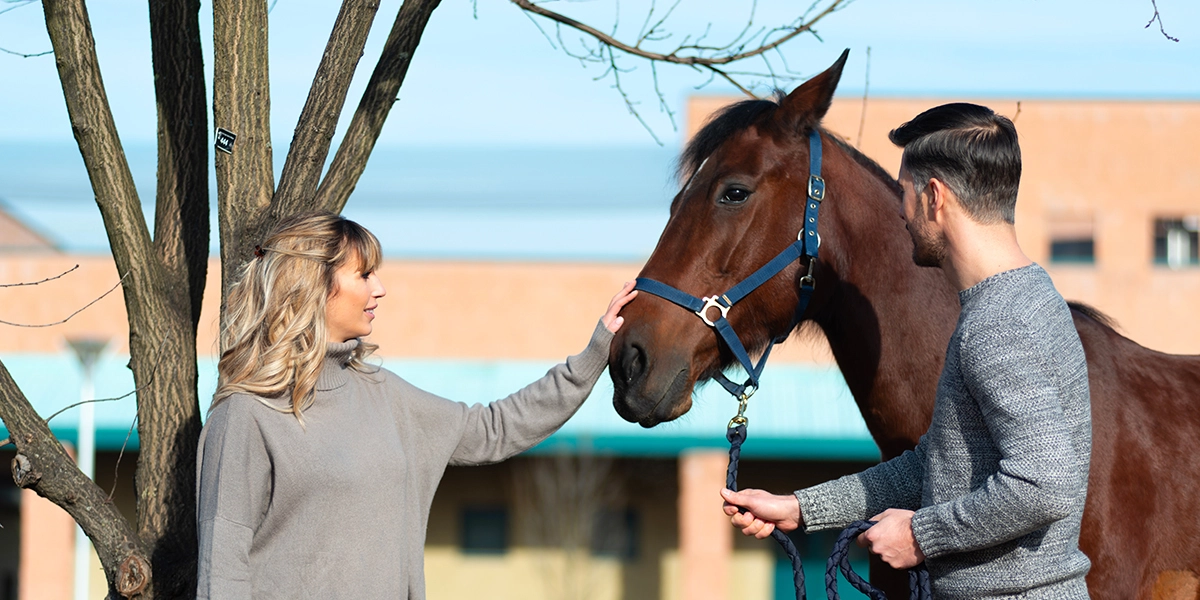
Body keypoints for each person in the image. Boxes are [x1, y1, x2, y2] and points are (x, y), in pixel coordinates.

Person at [720, 103, 1093, 599]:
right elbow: (933, 466)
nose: (901, 211)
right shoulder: (1028, 296)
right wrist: (799, 508)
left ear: (934, 196)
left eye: (905, 192)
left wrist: (921, 535)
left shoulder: (998, 323)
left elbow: (1044, 483)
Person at [195, 211, 637, 599]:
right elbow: (222, 573)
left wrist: (595, 352)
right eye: (364, 275)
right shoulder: (245, 416)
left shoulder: (385, 396)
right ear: (314, 285)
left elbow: (495, 429)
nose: (381, 289)